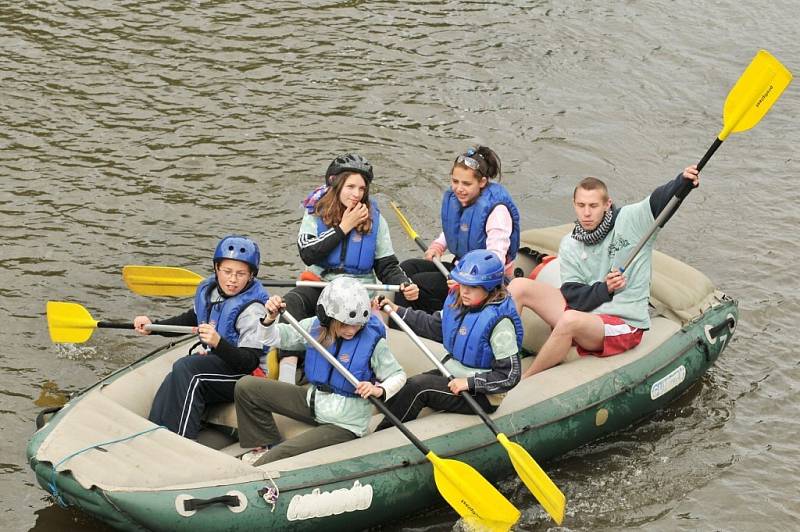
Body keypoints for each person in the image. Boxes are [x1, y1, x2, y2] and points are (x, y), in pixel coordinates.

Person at [508, 165, 701, 378]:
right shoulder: (570, 243)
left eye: (593, 205)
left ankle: (524, 380)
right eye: (581, 205)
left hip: (623, 321)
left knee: (570, 320)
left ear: (607, 204)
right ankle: (504, 360)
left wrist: (682, 182)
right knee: (518, 286)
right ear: (574, 205)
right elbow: (573, 295)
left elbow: (660, 201)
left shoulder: (631, 220)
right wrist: (605, 288)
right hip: (587, 310)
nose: (587, 213)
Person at [276, 154, 419, 384]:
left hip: (358, 288)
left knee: (357, 322)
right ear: (336, 184)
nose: (356, 194)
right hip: (321, 284)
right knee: (292, 303)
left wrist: (404, 282)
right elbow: (308, 252)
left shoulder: (375, 220)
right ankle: (286, 379)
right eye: (350, 186)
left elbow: (387, 265)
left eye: (361, 188)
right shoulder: (315, 212)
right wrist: (344, 227)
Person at [235, 277, 407, 466]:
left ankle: (262, 465)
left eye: (357, 324)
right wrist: (269, 318)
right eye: (344, 324)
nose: (351, 330)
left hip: (345, 423)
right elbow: (272, 339)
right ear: (329, 318)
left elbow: (398, 375)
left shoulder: (374, 344)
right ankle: (263, 444)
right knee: (246, 386)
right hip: (313, 402)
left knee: (280, 455)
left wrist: (379, 390)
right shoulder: (314, 327)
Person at [134, 235, 269, 440]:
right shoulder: (212, 292)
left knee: (188, 370)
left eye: (241, 274)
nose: (232, 280)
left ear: (251, 276)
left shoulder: (253, 310)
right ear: (216, 269)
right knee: (174, 376)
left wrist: (218, 343)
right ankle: (154, 432)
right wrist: (154, 326)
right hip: (221, 362)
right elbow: (191, 319)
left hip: (248, 376)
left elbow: (248, 362)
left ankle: (179, 439)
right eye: (227, 271)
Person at [375, 249, 522, 429]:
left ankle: (383, 434)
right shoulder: (460, 303)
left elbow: (510, 375)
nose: (465, 291)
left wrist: (468, 383)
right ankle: (382, 422)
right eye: (462, 284)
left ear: (490, 287)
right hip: (454, 371)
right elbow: (433, 325)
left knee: (418, 387)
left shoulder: (500, 323)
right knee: (405, 385)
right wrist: (397, 309)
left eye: (473, 287)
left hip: (482, 394)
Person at [395, 146, 520, 314]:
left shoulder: (497, 211)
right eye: (455, 181)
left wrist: (465, 280)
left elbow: (495, 260)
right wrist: (438, 246)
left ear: (482, 182)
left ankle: (414, 322)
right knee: (407, 267)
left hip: (485, 283)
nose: (459, 188)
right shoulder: (461, 198)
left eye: (466, 183)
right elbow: (456, 229)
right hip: (460, 268)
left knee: (417, 282)